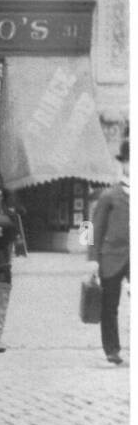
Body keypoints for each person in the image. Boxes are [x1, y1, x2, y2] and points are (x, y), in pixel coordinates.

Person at [89, 139, 129, 364]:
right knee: (109, 306)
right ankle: (112, 349)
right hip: (111, 258)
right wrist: (92, 259)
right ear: (123, 164)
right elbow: (91, 227)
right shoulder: (108, 195)